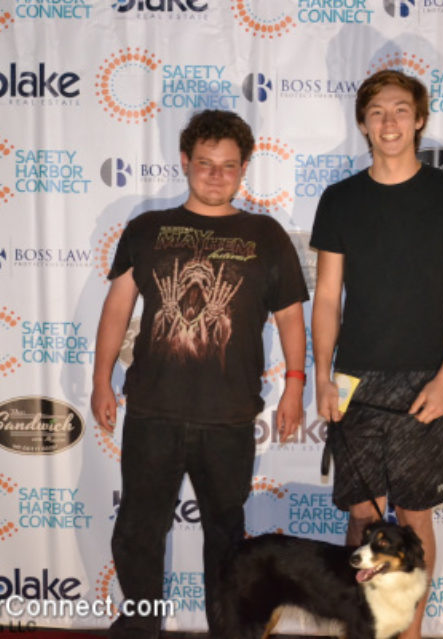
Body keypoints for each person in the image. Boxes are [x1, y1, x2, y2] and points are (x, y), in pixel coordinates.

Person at [91, 109, 309, 639]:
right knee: (138, 532)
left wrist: (295, 386)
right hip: (152, 410)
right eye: (206, 163)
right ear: (185, 161)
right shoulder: (147, 228)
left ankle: (228, 631)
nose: (216, 175)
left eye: (228, 166)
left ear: (244, 169)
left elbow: (290, 317)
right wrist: (100, 380)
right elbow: (117, 307)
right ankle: (140, 626)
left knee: (226, 538)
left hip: (228, 417)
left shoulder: (266, 234)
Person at [310, 69, 443, 639]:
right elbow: (327, 297)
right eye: (377, 112)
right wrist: (322, 376)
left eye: (400, 110)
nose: (389, 122)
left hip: (423, 382)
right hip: (355, 381)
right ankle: (368, 630)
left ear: (419, 120)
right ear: (363, 124)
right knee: (362, 518)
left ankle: (409, 634)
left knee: (413, 517)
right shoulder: (340, 199)